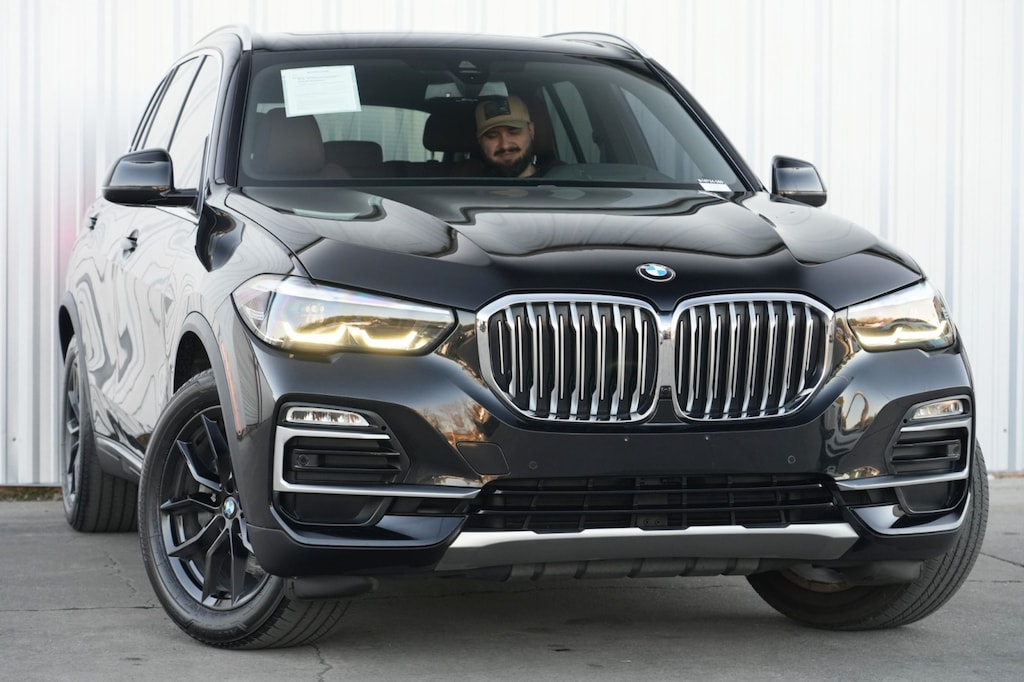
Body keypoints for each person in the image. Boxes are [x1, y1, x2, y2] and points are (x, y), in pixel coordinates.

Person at [474, 95, 545, 178]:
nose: (505, 145)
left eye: (514, 132)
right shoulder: (468, 184)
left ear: (531, 130)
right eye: (492, 136)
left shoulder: (555, 181)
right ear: (479, 140)